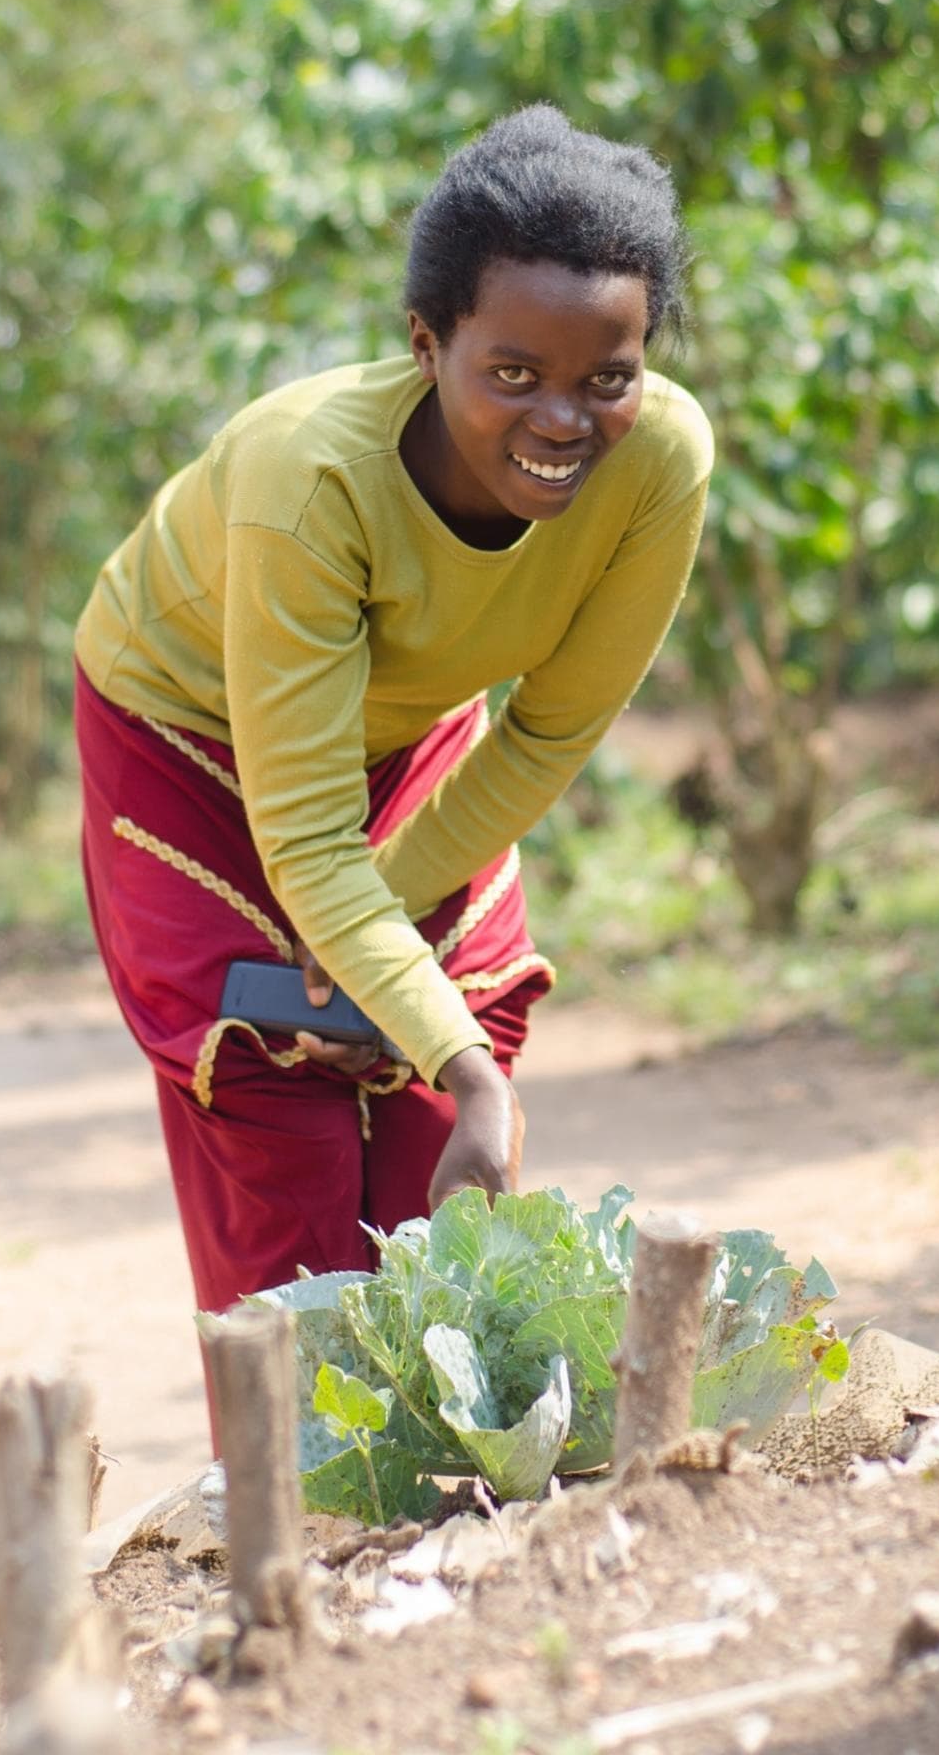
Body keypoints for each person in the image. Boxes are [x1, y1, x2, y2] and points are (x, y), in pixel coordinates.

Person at [74, 103, 713, 1358]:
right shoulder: (307, 480)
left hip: (412, 731)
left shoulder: (661, 465)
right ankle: (299, 1523)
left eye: (608, 377)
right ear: (428, 346)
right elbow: (307, 844)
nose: (561, 421)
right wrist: (441, 1040)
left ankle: (443, 1521)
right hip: (185, 735)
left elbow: (540, 740)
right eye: (511, 375)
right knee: (278, 1109)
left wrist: (404, 983)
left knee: (436, 1107)